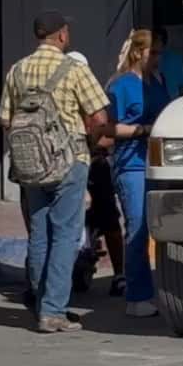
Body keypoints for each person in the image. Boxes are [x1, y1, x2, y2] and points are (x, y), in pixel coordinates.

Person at [0, 12, 109, 334]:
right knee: (64, 235)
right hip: (68, 160)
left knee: (39, 232)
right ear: (61, 35)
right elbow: (100, 115)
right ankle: (53, 311)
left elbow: (6, 119)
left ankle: (38, 301)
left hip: (30, 164)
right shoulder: (74, 69)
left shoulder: (17, 70)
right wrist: (86, 139)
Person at [106, 30, 170, 317]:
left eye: (159, 53)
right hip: (130, 162)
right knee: (137, 228)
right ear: (137, 52)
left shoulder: (158, 80)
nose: (158, 58)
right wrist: (143, 130)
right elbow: (109, 129)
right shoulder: (121, 86)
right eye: (153, 53)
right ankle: (137, 294)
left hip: (157, 161)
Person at [67, 52, 125, 296]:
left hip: (95, 162)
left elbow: (109, 129)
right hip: (69, 163)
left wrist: (99, 140)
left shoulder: (97, 98)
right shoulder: (62, 98)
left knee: (111, 219)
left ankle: (119, 273)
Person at [154, 27, 183, 101]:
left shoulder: (150, 59)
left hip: (156, 102)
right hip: (173, 102)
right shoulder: (176, 57)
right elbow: (182, 84)